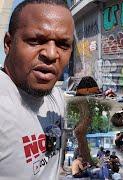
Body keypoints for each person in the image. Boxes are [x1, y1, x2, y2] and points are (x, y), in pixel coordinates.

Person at [0, 0, 74, 179]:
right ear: (9, 44)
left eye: (63, 44)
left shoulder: (56, 97)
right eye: (35, 41)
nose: (50, 54)